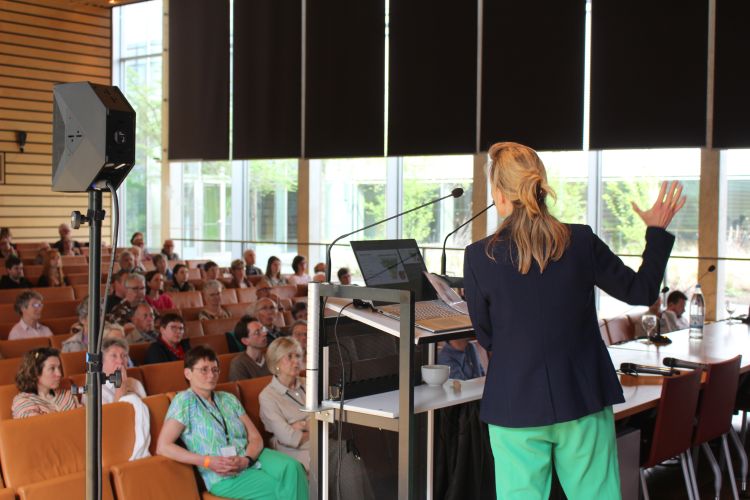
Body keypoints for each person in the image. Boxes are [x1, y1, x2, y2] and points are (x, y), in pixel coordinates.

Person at [463, 142, 684, 499]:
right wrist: (655, 234)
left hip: (514, 403)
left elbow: (487, 335)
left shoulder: (478, 257)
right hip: (582, 398)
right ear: (539, 185)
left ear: (500, 195)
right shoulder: (579, 241)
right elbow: (643, 291)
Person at [156, 345, 308, 499]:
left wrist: (247, 459)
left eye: (215, 370)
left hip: (251, 456)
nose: (211, 375)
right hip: (222, 472)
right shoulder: (184, 401)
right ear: (188, 373)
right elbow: (163, 446)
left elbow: (255, 437)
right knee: (278, 488)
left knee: (294, 468)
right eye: (204, 370)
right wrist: (207, 461)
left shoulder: (228, 398)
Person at [84, 338, 150, 460]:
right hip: (115, 443)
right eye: (113, 356)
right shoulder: (93, 390)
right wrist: (121, 386)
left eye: (124, 356)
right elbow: (112, 424)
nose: (120, 361)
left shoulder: (136, 383)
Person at [12, 347, 81, 418]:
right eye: (52, 368)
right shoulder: (23, 402)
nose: (59, 374)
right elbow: (35, 428)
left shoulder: (66, 395)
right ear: (35, 373)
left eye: (59, 367)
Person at [229, 316, 271, 381]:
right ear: (245, 341)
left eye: (263, 329)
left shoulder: (272, 356)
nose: (264, 333)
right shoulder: (238, 364)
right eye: (257, 332)